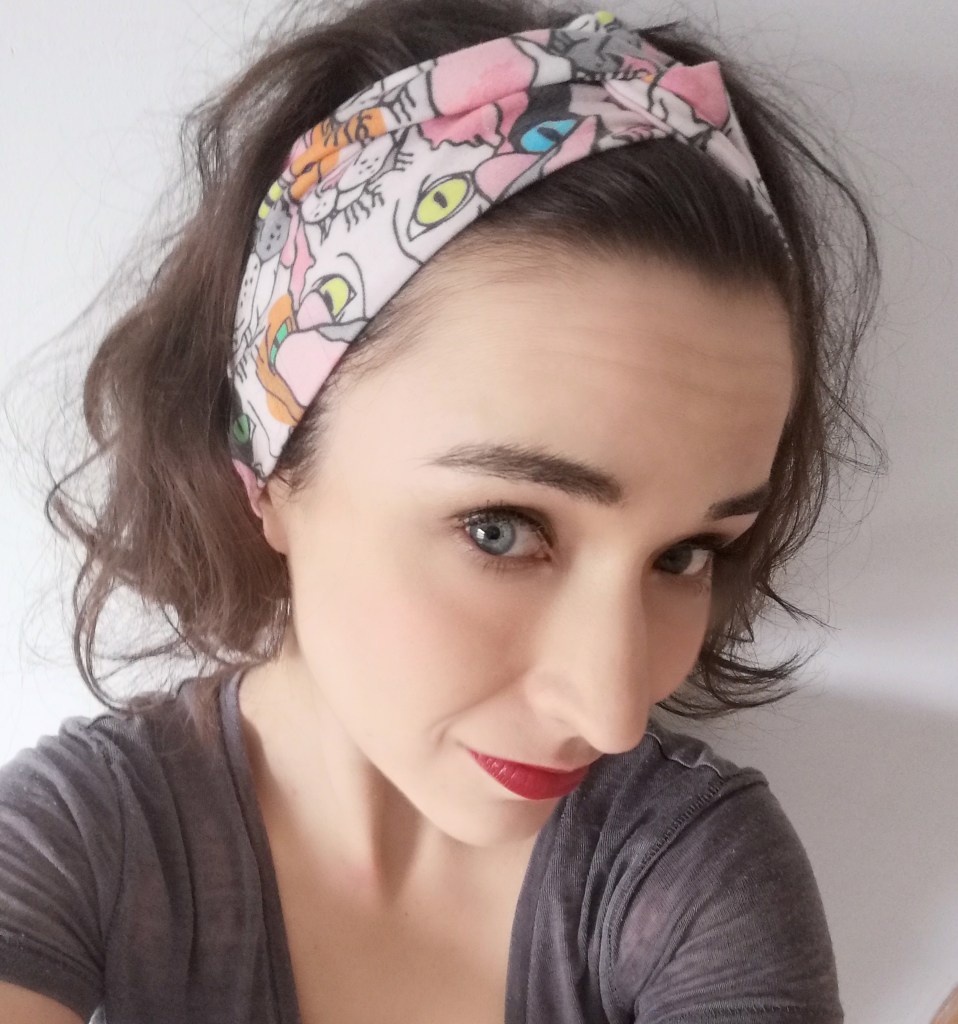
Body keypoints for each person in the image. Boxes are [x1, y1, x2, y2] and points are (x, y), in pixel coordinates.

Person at [0, 0, 884, 1021]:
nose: (610, 709)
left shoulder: (684, 868)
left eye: (685, 553)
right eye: (500, 529)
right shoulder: (81, 843)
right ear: (273, 469)